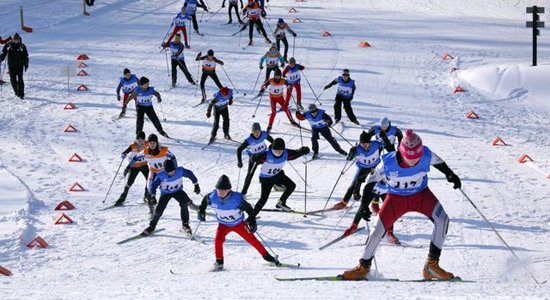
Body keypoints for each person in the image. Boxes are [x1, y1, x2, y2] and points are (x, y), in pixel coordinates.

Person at [341, 129, 461, 280]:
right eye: (409, 158)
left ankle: (432, 265)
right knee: (376, 232)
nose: (413, 162)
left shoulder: (426, 154)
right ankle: (363, 267)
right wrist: (364, 205)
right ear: (400, 151)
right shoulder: (387, 162)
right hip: (395, 199)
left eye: (416, 158)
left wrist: (450, 174)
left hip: (421, 195)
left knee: (443, 220)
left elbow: (440, 163)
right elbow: (370, 183)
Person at [198, 175, 280, 271]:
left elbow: (249, 209)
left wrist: (252, 221)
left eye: (224, 190)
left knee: (253, 240)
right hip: (223, 225)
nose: (221, 192)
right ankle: (219, 263)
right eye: (219, 189)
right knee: (218, 240)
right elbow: (204, 202)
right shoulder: (212, 197)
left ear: (229, 190)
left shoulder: (236, 199)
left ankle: (268, 258)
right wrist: (201, 211)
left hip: (239, 224)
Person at [250, 138, 309, 214]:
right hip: (267, 179)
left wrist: (302, 151)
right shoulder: (266, 155)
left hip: (277, 175)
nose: (278, 152)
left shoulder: (286, 153)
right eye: (276, 150)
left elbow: (295, 154)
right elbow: (255, 159)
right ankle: (252, 216)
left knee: (291, 186)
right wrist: (254, 158)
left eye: (280, 150)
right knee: (263, 199)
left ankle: (281, 203)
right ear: (272, 149)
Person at [142, 159, 201, 236]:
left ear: (174, 168)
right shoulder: (161, 175)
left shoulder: (180, 171)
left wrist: (196, 184)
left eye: (172, 171)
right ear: (165, 171)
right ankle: (151, 226)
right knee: (159, 210)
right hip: (165, 194)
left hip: (178, 191)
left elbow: (190, 174)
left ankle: (185, 224)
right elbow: (153, 186)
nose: (171, 173)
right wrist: (153, 196)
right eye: (168, 172)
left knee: (184, 203)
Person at [332, 131, 383, 210]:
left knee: (377, 185)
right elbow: (349, 159)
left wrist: (384, 138)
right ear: (360, 143)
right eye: (363, 143)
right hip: (363, 168)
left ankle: (374, 204)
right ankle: (344, 202)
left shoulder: (375, 144)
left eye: (367, 143)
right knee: (353, 184)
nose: (365, 145)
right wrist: (351, 152)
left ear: (370, 142)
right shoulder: (357, 149)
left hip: (375, 167)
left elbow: (385, 144)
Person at [128, 134, 177, 213]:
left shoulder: (163, 150)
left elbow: (173, 157)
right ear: (148, 143)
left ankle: (188, 203)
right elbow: (135, 158)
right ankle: (152, 211)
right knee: (149, 190)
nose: (152, 144)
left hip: (163, 172)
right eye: (150, 143)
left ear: (157, 143)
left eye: (154, 143)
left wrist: (174, 167)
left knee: (172, 188)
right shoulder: (145, 151)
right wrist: (128, 167)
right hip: (153, 172)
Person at [236, 123, 274, 197]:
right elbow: (239, 149)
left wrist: (272, 147)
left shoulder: (263, 134)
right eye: (255, 132)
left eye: (258, 131)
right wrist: (239, 161)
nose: (257, 133)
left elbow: (273, 141)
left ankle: (276, 185)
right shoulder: (249, 140)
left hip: (264, 155)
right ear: (252, 132)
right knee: (250, 175)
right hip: (254, 158)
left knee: (271, 170)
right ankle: (243, 193)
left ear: (260, 131)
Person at [115, 131, 149, 206]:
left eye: (142, 140)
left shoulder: (147, 144)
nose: (140, 142)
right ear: (136, 139)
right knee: (129, 183)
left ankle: (146, 196)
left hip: (144, 165)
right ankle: (121, 199)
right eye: (138, 140)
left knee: (149, 180)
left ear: (144, 140)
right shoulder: (133, 146)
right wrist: (123, 154)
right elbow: (125, 152)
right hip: (134, 167)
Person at [259, 68, 298, 133]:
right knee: (273, 113)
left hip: (280, 98)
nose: (277, 77)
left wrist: (288, 85)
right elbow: (264, 85)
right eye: (276, 76)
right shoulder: (271, 80)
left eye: (279, 76)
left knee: (286, 109)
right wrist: (264, 86)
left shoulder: (283, 80)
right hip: (273, 98)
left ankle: (292, 121)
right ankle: (269, 126)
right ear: (274, 75)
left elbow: (288, 83)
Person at [0, 33, 29, 99]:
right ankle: (16, 91)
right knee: (13, 80)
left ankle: (21, 94)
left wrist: (26, 64)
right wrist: (1, 58)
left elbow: (25, 56)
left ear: (19, 40)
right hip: (11, 66)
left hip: (20, 66)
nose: (16, 41)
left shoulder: (22, 46)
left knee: (20, 80)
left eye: (17, 40)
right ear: (12, 39)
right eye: (14, 40)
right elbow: (3, 54)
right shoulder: (8, 45)